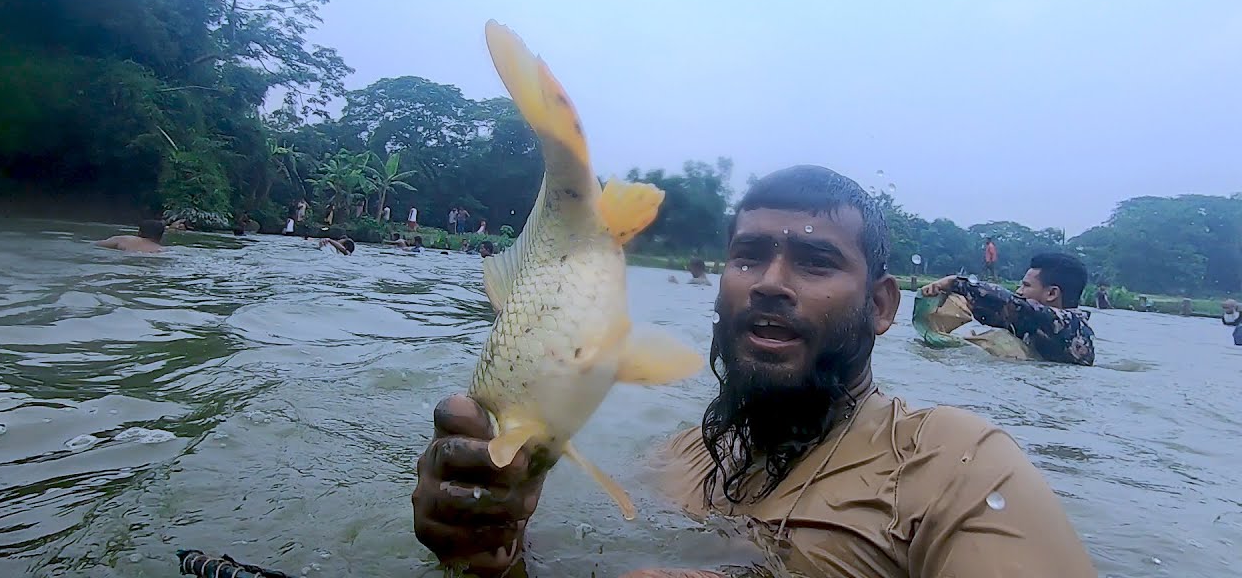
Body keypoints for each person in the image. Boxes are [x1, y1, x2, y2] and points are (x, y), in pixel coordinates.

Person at [411, 165, 1095, 578]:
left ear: (881, 306)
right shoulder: (672, 458)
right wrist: (492, 550)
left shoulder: (957, 466)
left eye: (815, 262)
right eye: (748, 257)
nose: (770, 283)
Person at [920, 252, 1096, 366]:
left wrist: (955, 283)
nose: (1019, 291)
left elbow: (1009, 304)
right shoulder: (1040, 325)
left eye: (1026, 285)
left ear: (1051, 293)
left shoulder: (1069, 326)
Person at [95, 220, 165, 253]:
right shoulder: (161, 250)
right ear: (160, 236)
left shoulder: (124, 239)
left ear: (139, 232)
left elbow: (96, 245)